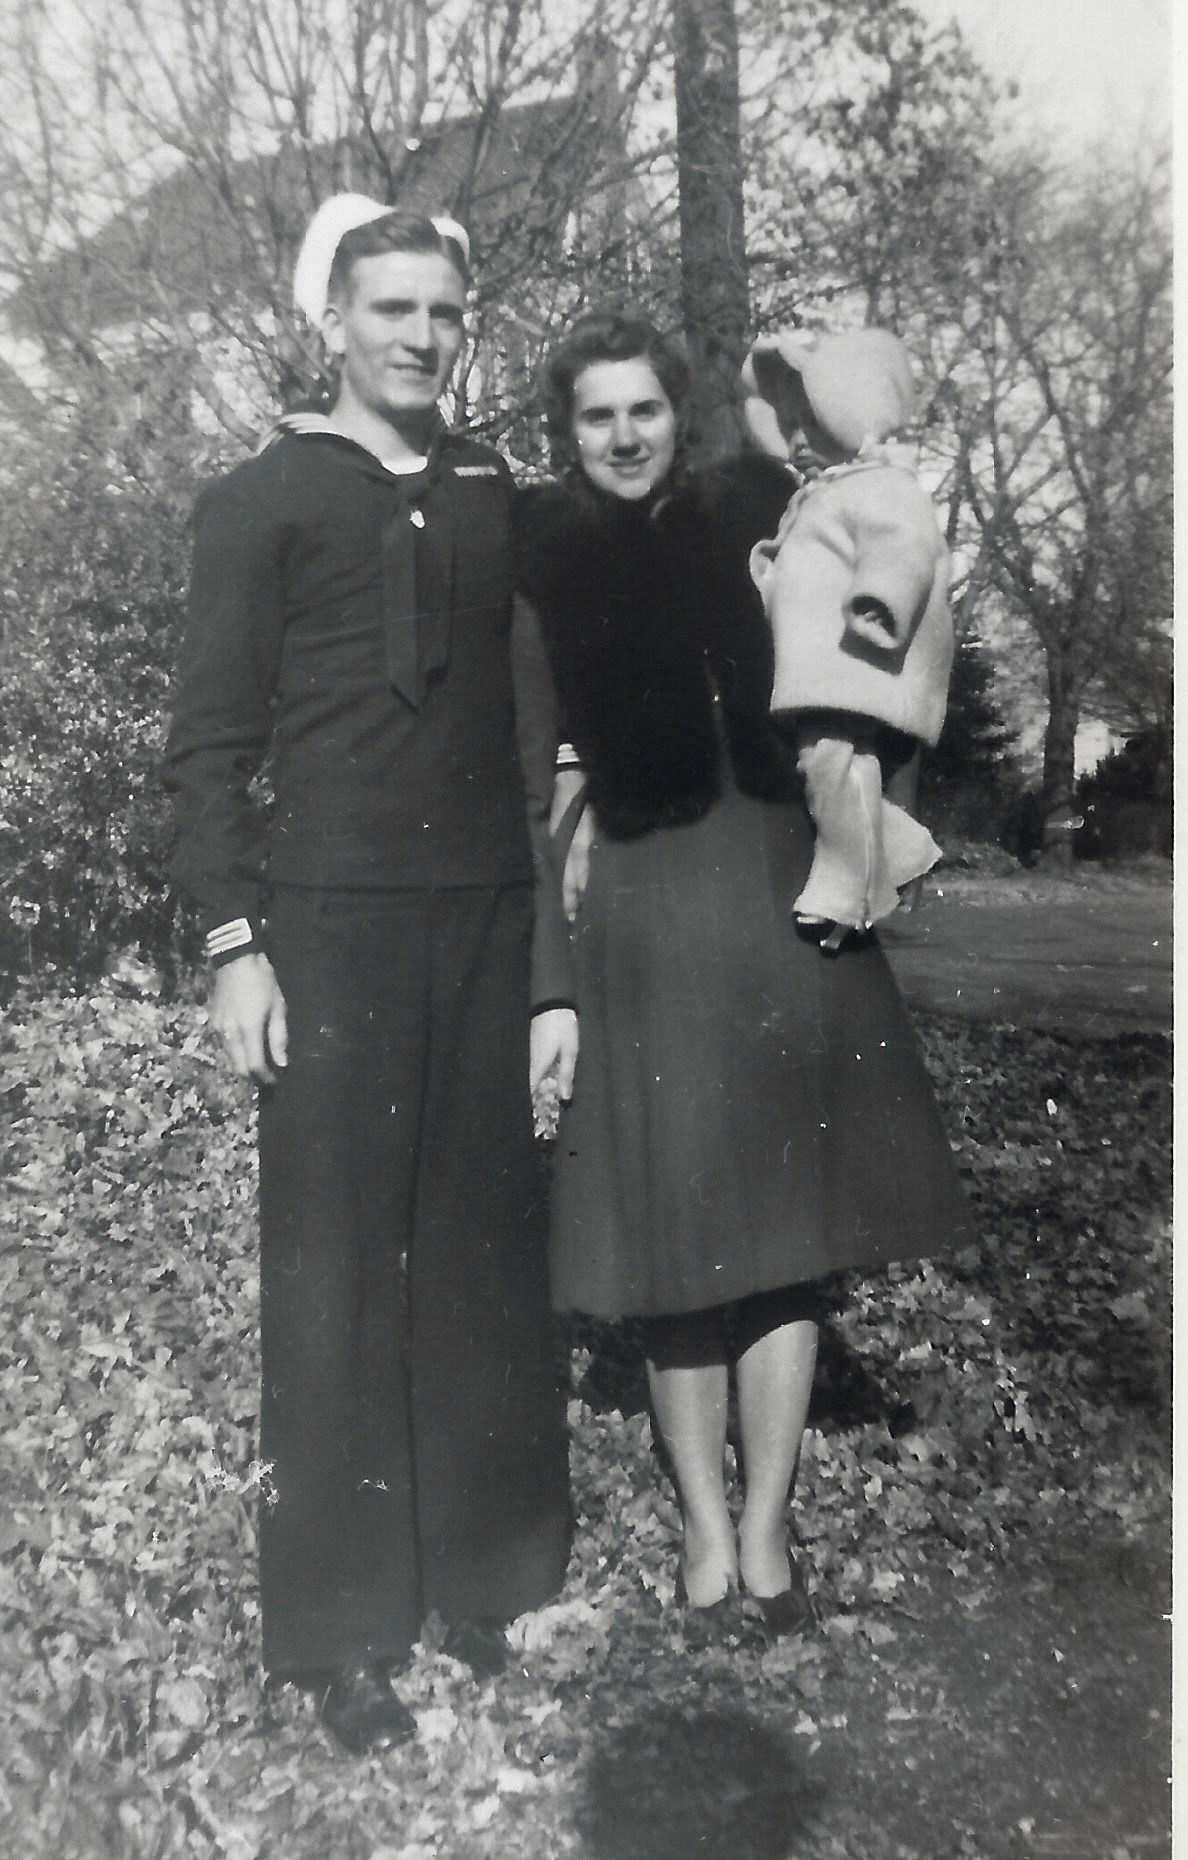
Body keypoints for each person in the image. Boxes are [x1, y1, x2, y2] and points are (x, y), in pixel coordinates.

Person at [163, 197, 578, 1755]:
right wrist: (232, 942)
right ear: (332, 320)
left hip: (478, 921)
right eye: (391, 310)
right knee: (334, 1276)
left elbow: (544, 738)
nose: (419, 337)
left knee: (476, 1261)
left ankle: (479, 1581)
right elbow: (206, 747)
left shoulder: (495, 498)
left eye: (444, 314)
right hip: (326, 928)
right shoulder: (262, 501)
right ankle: (340, 1630)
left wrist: (551, 974)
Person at [514, 310, 970, 1634]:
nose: (623, 437)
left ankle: (768, 1533)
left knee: (782, 1246)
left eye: (643, 410)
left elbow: (867, 668)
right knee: (678, 1245)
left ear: (677, 413)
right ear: (570, 432)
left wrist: (867, 827)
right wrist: (551, 969)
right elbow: (526, 786)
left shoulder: (757, 514)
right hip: (647, 915)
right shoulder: (542, 565)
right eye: (596, 417)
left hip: (780, 888)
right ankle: (707, 1542)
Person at [742, 326, 955, 948]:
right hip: (825, 672)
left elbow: (905, 547)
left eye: (813, 420)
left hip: (856, 667)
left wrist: (880, 603)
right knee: (825, 765)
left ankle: (849, 887)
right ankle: (901, 850)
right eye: (789, 423)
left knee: (833, 762)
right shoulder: (824, 493)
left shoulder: (884, 485)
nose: (799, 438)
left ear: (854, 414)